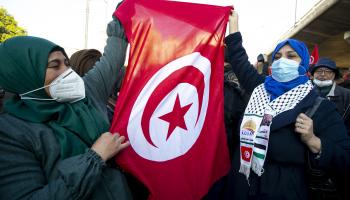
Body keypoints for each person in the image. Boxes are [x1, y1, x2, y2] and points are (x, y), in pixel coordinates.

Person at [0, 9, 133, 200]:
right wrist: (94, 158)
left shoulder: (86, 93)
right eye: (55, 66)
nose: (68, 72)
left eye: (67, 63)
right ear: (24, 74)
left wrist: (124, 13)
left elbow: (113, 58)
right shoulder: (10, 133)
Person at [223, 10, 350, 200]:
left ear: (305, 63)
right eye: (278, 56)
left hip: (284, 190)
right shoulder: (260, 88)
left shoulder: (319, 106)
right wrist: (233, 25)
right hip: (241, 184)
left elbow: (345, 159)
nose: (283, 61)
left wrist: (314, 141)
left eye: (291, 56)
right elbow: (239, 60)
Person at [310, 57, 350, 129]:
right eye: (319, 71)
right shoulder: (304, 92)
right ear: (313, 75)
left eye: (328, 71)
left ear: (334, 75)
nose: (322, 74)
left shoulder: (347, 95)